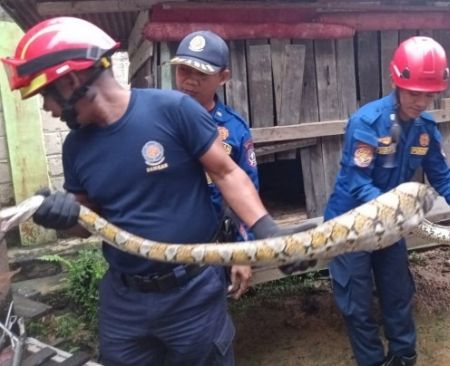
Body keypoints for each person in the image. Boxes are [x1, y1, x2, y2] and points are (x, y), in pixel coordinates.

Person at [2, 17, 309, 366]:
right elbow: (84, 222)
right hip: (124, 303)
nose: (46, 109)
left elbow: (227, 173)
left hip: (192, 294)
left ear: (71, 81)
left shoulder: (173, 110)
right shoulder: (75, 147)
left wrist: (267, 232)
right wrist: (61, 217)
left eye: (45, 94)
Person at [323, 36, 450, 366]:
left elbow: (440, 174)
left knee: (397, 293)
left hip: (391, 227)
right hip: (350, 224)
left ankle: (403, 357)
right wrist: (397, 212)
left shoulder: (425, 128)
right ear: (396, 82)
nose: (423, 102)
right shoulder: (367, 123)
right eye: (415, 93)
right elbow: (358, 182)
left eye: (430, 94)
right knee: (356, 303)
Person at [171, 30, 258, 292]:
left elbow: (248, 191)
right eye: (184, 70)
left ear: (223, 77)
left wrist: (243, 251)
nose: (190, 81)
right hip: (163, 245)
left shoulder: (234, 130)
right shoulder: (156, 121)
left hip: (213, 245)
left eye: (202, 74)